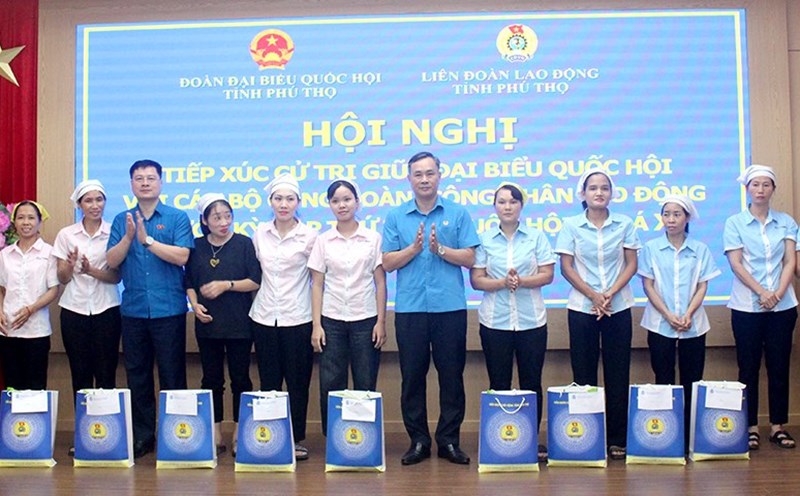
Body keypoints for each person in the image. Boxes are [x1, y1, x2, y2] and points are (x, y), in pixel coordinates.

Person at [382, 151, 479, 466]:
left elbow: (470, 258)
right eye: (418, 174)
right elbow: (387, 262)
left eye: (429, 173)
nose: (424, 179)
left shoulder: (458, 212)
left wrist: (441, 250)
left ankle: (449, 441)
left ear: (440, 175)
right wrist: (413, 249)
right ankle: (419, 442)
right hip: (410, 308)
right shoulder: (396, 216)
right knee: (412, 377)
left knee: (452, 376)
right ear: (409, 178)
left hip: (449, 308)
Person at [106, 159, 194, 458]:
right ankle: (143, 436)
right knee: (137, 376)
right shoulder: (121, 220)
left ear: (161, 182)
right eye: (139, 178)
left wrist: (147, 241)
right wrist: (130, 238)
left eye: (151, 178)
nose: (145, 183)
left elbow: (182, 256)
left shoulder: (176, 217)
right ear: (131, 184)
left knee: (172, 376)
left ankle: (176, 436)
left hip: (168, 310)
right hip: (132, 311)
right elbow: (113, 261)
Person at [555, 167, 640, 460]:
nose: (599, 192)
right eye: (593, 188)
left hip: (618, 306)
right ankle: (588, 437)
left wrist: (610, 294)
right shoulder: (570, 225)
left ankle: (617, 438)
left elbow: (631, 263)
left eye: (604, 187)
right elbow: (566, 267)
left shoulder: (625, 223)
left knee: (618, 373)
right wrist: (593, 295)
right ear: (583, 194)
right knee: (584, 373)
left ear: (611, 193)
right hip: (582, 308)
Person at [469, 182, 554, 462]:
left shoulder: (536, 237)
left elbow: (547, 275)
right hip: (495, 323)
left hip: (532, 321)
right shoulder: (484, 239)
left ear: (521, 206)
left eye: (513, 202)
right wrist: (503, 282)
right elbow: (476, 280)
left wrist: (520, 281)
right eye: (502, 202)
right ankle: (501, 441)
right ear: (494, 206)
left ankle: (530, 441)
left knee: (532, 383)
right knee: (499, 383)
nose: (507, 206)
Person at [724, 164, 797, 450]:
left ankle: (778, 426)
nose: (761, 190)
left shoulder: (786, 222)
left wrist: (777, 293)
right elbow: (736, 263)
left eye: (766, 185)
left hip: (783, 305)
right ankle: (750, 427)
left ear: (773, 189)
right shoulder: (735, 223)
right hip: (746, 307)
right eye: (755, 185)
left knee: (779, 366)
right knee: (748, 367)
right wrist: (762, 292)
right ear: (747, 190)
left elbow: (790, 260)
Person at [638, 195, 720, 448]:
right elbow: (648, 285)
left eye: (677, 214)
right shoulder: (650, 248)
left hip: (693, 325)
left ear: (687, 218)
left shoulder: (700, 249)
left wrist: (687, 314)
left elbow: (702, 285)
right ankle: (667, 437)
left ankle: (690, 438)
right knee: (663, 379)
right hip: (659, 322)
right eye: (666, 214)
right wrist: (668, 315)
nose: (671, 219)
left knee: (691, 380)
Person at [309, 179, 387, 435]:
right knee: (331, 384)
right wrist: (317, 325)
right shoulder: (323, 240)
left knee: (365, 382)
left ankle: (364, 438)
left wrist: (381, 322)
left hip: (365, 318)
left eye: (347, 199)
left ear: (357, 201)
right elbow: (317, 284)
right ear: (330, 205)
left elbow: (380, 281)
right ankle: (335, 438)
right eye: (335, 201)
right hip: (331, 320)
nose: (341, 205)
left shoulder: (373, 238)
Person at [185, 193, 260, 455]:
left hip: (239, 323)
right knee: (211, 379)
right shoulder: (196, 246)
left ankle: (240, 432)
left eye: (228, 216)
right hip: (207, 324)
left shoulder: (243, 243)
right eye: (217, 217)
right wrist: (194, 305)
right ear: (205, 220)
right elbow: (190, 283)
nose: (224, 221)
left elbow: (255, 281)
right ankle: (215, 432)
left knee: (240, 379)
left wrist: (226, 285)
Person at [250, 174, 318, 461]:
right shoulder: (259, 233)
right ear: (270, 202)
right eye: (278, 199)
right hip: (264, 316)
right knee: (269, 381)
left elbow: (318, 280)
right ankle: (271, 437)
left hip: (298, 317)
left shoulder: (310, 235)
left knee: (298, 381)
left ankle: (296, 438)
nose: (284, 204)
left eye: (290, 199)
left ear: (298, 202)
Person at [53, 180, 122, 455]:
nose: (95, 205)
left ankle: (108, 436)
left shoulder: (113, 233)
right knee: (80, 374)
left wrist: (90, 269)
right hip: (74, 310)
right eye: (89, 201)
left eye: (99, 200)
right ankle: (83, 437)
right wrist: (70, 267)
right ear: (79, 205)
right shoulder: (66, 235)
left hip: (107, 310)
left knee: (106, 374)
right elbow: (61, 278)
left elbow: (116, 276)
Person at [0, 201, 59, 390]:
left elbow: (53, 290)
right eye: (21, 217)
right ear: (14, 222)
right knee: (12, 386)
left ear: (40, 222)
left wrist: (30, 309)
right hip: (9, 330)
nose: (26, 222)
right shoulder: (5, 254)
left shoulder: (49, 253)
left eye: (31, 217)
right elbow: (1, 288)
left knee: (35, 387)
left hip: (37, 331)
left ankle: (35, 422)